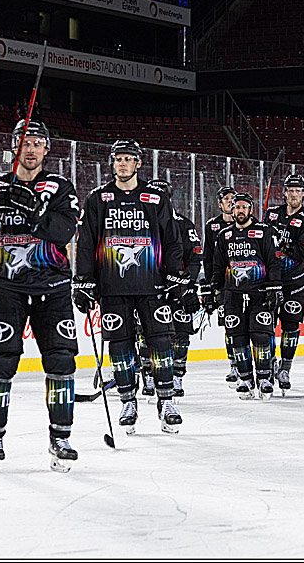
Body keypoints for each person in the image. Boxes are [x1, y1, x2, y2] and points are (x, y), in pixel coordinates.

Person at [0, 120, 80, 472]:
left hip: (52, 288)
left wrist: (35, 213)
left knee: (61, 362)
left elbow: (66, 229)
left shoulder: (59, 187)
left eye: (38, 143)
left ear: (46, 149)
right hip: (4, 289)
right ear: (15, 147)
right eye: (25, 142)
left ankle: (61, 437)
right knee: (0, 364)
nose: (31, 149)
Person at [73, 139, 186, 435]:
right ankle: (127, 400)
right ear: (112, 163)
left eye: (128, 159)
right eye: (118, 159)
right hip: (112, 286)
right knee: (120, 345)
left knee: (161, 343)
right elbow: (86, 243)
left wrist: (175, 275)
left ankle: (166, 401)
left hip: (153, 287)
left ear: (138, 163)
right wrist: (83, 280)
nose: (122, 163)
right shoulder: (98, 199)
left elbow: (173, 241)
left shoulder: (156, 197)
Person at [208, 192, 282, 399]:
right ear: (231, 210)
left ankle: (265, 378)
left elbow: (273, 261)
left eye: (244, 207)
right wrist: (215, 289)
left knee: (261, 337)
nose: (240, 211)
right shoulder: (224, 235)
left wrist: (275, 287)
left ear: (251, 209)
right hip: (233, 295)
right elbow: (218, 265)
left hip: (260, 294)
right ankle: (245, 378)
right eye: (237, 207)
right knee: (237, 338)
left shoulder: (264, 231)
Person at [144, 180, 202, 398]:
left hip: (178, 289)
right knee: (146, 334)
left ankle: (176, 377)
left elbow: (195, 258)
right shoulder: (140, 225)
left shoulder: (184, 225)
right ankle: (149, 376)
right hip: (149, 289)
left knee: (181, 335)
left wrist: (187, 285)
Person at [264, 174, 304, 393]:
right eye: (291, 189)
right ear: (284, 192)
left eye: (298, 190)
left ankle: (285, 367)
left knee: (290, 325)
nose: (294, 193)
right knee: (265, 324)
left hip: (294, 282)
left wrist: (282, 245)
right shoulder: (272, 214)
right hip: (270, 280)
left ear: (303, 193)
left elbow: (303, 252)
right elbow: (262, 242)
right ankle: (268, 366)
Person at [200, 186, 238, 382]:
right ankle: (234, 364)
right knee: (230, 326)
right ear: (220, 203)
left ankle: (254, 362)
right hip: (222, 284)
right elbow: (207, 258)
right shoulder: (212, 226)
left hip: (244, 283)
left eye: (234, 198)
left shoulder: (251, 225)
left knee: (248, 326)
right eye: (226, 199)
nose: (230, 202)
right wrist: (208, 287)